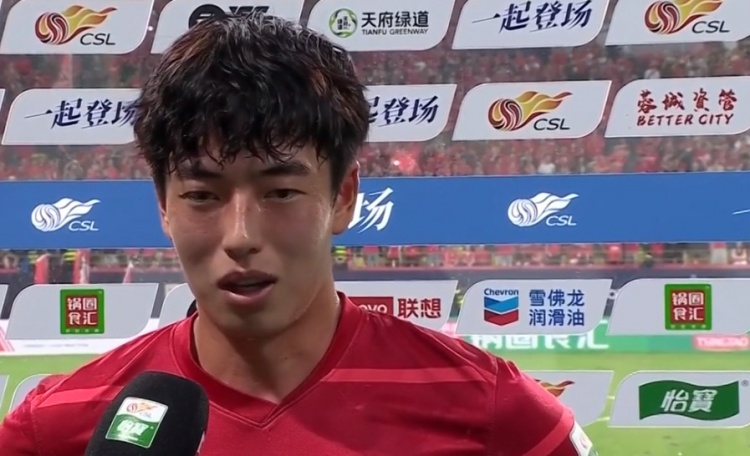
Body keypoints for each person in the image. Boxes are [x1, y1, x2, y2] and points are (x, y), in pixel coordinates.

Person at [0, 13, 597, 455]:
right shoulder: (57, 424)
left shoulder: (494, 410)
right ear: (163, 205)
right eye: (202, 195)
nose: (239, 236)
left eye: (281, 192)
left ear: (343, 197)